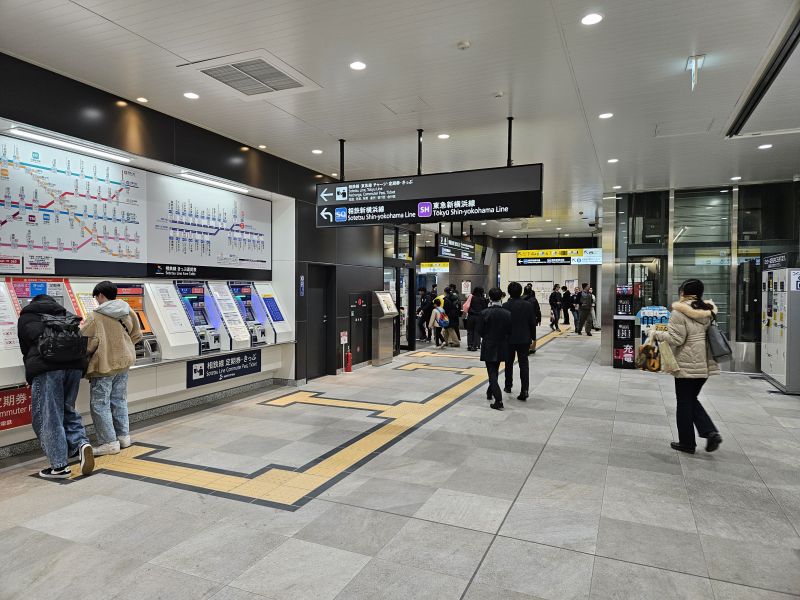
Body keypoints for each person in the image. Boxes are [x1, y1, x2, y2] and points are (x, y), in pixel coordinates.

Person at [17, 294, 94, 479]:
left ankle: (59, 467)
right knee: (67, 409)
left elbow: (26, 348)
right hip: (74, 366)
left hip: (48, 368)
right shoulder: (65, 313)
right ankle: (80, 444)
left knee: (48, 415)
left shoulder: (26, 317)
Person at [652, 279, 722, 454]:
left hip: (687, 363)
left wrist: (656, 334)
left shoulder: (679, 312)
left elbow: (676, 339)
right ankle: (709, 432)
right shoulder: (708, 311)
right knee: (691, 400)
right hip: (705, 364)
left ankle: (687, 442)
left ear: (683, 292)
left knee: (684, 402)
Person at [81, 281, 142, 456]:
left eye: (96, 297)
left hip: (105, 365)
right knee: (119, 400)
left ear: (100, 295)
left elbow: (86, 341)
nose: (96, 301)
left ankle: (108, 442)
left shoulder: (96, 316)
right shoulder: (128, 310)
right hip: (124, 362)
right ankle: (123, 436)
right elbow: (136, 335)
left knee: (100, 404)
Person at [503, 282, 538, 400]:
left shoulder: (505, 306)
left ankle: (508, 386)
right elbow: (532, 323)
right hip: (524, 339)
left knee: (508, 363)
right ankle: (525, 390)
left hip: (509, 339)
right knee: (524, 364)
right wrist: (533, 337)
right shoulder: (528, 305)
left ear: (508, 292)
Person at [479, 288, 512, 410]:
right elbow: (510, 331)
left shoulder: (484, 313)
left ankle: (498, 400)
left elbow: (480, 331)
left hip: (488, 344)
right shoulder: (507, 313)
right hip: (502, 344)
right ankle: (490, 391)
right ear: (501, 297)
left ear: (489, 297)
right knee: (495, 369)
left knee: (491, 371)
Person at [466, 287, 488, 351]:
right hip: (479, 317)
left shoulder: (471, 298)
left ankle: (469, 345)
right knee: (477, 332)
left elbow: (467, 306)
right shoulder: (483, 299)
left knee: (470, 331)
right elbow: (485, 309)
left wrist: (472, 311)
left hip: (471, 316)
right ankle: (474, 346)